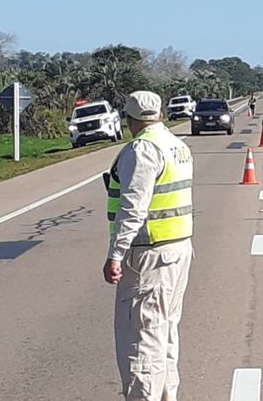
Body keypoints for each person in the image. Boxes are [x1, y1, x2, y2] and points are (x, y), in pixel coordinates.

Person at [103, 91, 194, 401]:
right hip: (177, 250)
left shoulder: (142, 149)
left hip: (149, 254)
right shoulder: (176, 145)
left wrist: (116, 254)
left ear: (129, 119)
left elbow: (133, 207)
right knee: (164, 334)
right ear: (160, 115)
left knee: (141, 341)